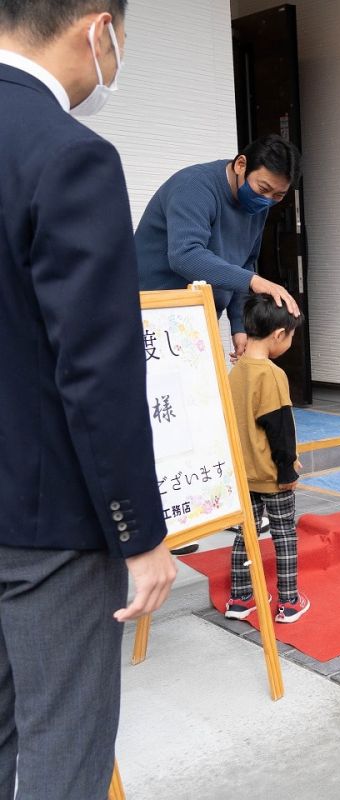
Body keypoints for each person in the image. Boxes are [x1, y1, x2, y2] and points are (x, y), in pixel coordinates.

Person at [0, 2, 177, 796]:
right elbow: (98, 372)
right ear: (97, 29)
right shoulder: (70, 155)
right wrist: (141, 535)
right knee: (61, 746)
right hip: (49, 524)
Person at [135, 134, 301, 555]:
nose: (267, 201)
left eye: (278, 197)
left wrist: (239, 328)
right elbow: (186, 256)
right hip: (152, 315)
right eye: (264, 190)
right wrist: (257, 282)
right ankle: (162, 519)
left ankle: (202, 508)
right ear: (241, 164)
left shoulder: (255, 207)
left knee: (196, 416)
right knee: (160, 420)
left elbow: (243, 263)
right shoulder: (196, 186)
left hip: (194, 320)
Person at [225, 294, 310, 624]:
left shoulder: (237, 371)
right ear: (278, 334)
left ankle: (240, 597)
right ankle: (289, 602)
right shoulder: (272, 375)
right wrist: (287, 468)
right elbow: (280, 429)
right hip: (272, 475)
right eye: (290, 336)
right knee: (284, 533)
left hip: (243, 473)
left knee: (245, 534)